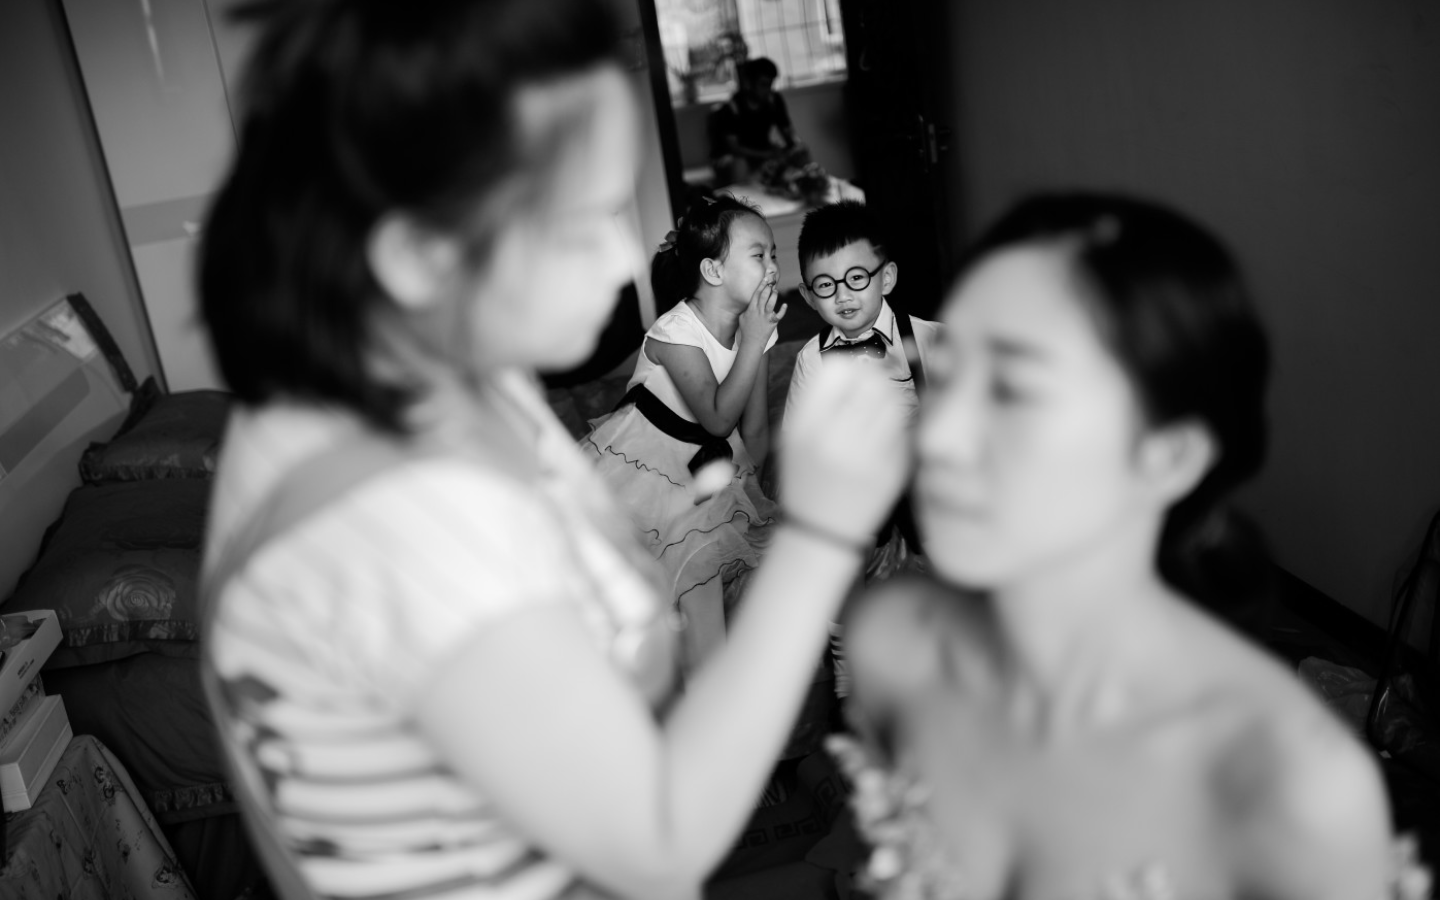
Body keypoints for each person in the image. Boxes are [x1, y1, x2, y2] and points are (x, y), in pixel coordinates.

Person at [195, 3, 910, 900]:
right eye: (580, 223)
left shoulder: (406, 385)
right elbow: (654, 839)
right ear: (417, 253)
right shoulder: (403, 520)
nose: (619, 261)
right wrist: (823, 534)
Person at [828, 191, 1431, 899]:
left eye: (1016, 389)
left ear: (1168, 456)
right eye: (951, 374)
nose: (939, 435)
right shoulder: (900, 652)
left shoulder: (1292, 788)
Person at [581, 194, 784, 677]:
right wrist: (754, 340)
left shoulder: (757, 331)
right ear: (713, 271)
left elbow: (753, 428)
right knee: (680, 571)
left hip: (710, 467)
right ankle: (699, 685)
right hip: (646, 464)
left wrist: (753, 495)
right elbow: (716, 418)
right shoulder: (675, 331)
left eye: (774, 254)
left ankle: (731, 681)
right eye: (760, 255)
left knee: (733, 557)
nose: (774, 267)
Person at [781, 200, 942, 695]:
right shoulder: (812, 361)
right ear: (808, 296)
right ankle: (847, 672)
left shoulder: (929, 340)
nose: (843, 296)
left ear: (886, 277)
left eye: (856, 278)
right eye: (825, 285)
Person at [707, 57, 828, 202]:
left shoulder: (774, 100)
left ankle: (810, 192)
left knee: (801, 152)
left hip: (764, 151)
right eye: (763, 84)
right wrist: (767, 154)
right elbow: (734, 148)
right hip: (733, 156)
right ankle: (740, 203)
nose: (768, 90)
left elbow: (788, 132)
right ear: (749, 83)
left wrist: (795, 147)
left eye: (770, 84)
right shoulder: (732, 108)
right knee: (740, 164)